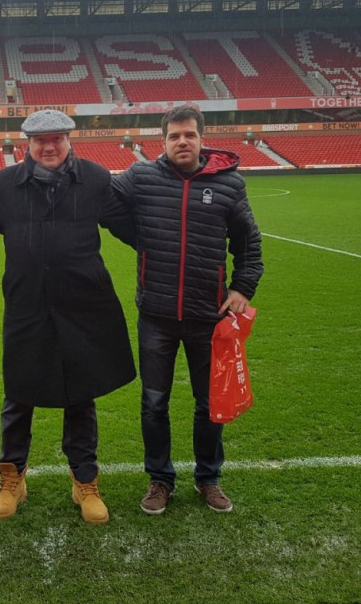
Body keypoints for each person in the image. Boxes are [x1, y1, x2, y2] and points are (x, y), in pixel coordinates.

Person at [0, 109, 135, 525]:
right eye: (40, 141)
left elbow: (131, 227)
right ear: (27, 144)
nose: (48, 147)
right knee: (19, 394)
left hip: (84, 305)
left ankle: (85, 480)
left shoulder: (95, 178)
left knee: (81, 393)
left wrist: (176, 256)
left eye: (56, 139)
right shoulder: (6, 184)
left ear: (68, 141)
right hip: (27, 306)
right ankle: (12, 479)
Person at [112, 105, 264, 515]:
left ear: (201, 139)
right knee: (154, 402)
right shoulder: (141, 176)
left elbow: (249, 243)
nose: (182, 141)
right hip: (156, 316)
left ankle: (208, 478)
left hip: (207, 316)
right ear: (163, 141)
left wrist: (242, 287)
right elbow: (107, 206)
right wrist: (143, 241)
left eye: (189, 135)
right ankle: (159, 479)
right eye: (174, 136)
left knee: (208, 403)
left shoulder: (229, 184)